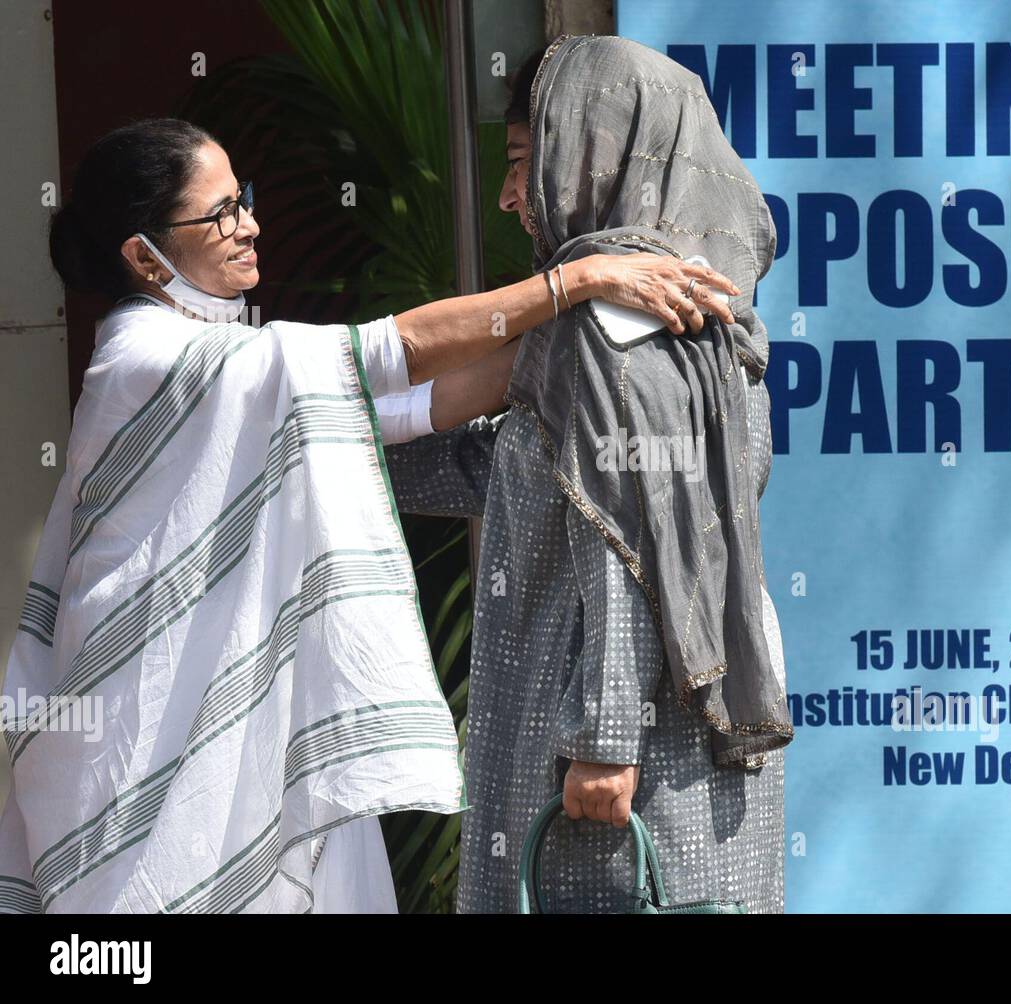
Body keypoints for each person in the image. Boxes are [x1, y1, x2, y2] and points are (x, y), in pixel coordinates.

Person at [0, 117, 730, 914]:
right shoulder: (149, 357)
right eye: (218, 214)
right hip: (141, 742)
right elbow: (391, 351)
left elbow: (418, 401)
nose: (248, 225)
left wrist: (589, 337)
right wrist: (578, 283)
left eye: (243, 198)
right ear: (144, 256)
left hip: (224, 728)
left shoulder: (231, 361)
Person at [385, 35, 793, 914]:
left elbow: (626, 549)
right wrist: (334, 445)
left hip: (609, 763)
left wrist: (606, 739)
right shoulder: (707, 318)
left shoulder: (608, 326)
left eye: (528, 163)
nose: (508, 196)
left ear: (596, 152)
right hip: (686, 754)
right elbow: (515, 473)